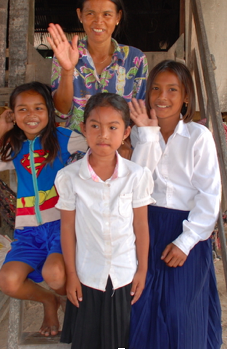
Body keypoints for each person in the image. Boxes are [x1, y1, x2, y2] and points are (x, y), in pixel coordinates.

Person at [0, 82, 87, 336]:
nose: (31, 115)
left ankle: (69, 302)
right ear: (12, 114)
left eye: (38, 108)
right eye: (22, 109)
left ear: (49, 111)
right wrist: (1, 127)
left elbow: (96, 149)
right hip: (28, 232)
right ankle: (49, 300)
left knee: (55, 274)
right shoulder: (14, 146)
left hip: (61, 226)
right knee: (8, 281)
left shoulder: (65, 139)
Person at [128, 60, 222, 349]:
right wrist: (148, 136)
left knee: (181, 311)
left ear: (186, 96)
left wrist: (185, 242)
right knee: (140, 305)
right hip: (145, 226)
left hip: (187, 230)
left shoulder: (198, 137)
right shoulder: (138, 134)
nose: (162, 96)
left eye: (172, 90)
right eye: (155, 89)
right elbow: (138, 183)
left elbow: (209, 196)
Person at [55, 93, 153, 349]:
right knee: (88, 341)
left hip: (124, 275)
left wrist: (142, 270)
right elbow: (67, 228)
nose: (103, 135)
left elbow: (141, 226)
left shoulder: (136, 176)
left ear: (126, 132)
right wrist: (71, 275)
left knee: (121, 341)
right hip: (87, 276)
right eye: (95, 126)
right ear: (83, 128)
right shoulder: (69, 177)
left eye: (113, 127)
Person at [47, 0, 148, 134]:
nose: (98, 21)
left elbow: (139, 114)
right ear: (80, 15)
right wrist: (68, 70)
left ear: (118, 17)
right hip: (76, 144)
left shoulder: (135, 59)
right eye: (90, 13)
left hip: (120, 145)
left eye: (107, 14)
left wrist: (124, 142)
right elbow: (61, 112)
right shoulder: (66, 53)